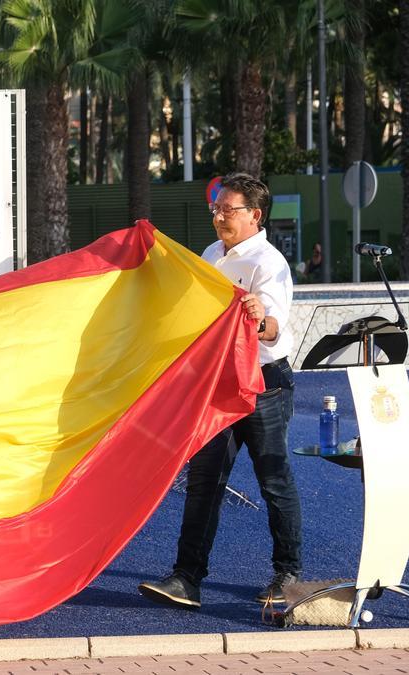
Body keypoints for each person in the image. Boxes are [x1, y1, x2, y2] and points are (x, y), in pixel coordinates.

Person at [138, 172, 301, 609]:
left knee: (273, 480)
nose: (219, 217)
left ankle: (288, 575)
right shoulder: (212, 253)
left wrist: (257, 315)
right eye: (217, 209)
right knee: (204, 481)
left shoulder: (269, 263)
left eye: (229, 210)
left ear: (255, 215)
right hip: (219, 382)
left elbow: (271, 329)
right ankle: (187, 578)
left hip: (264, 384)